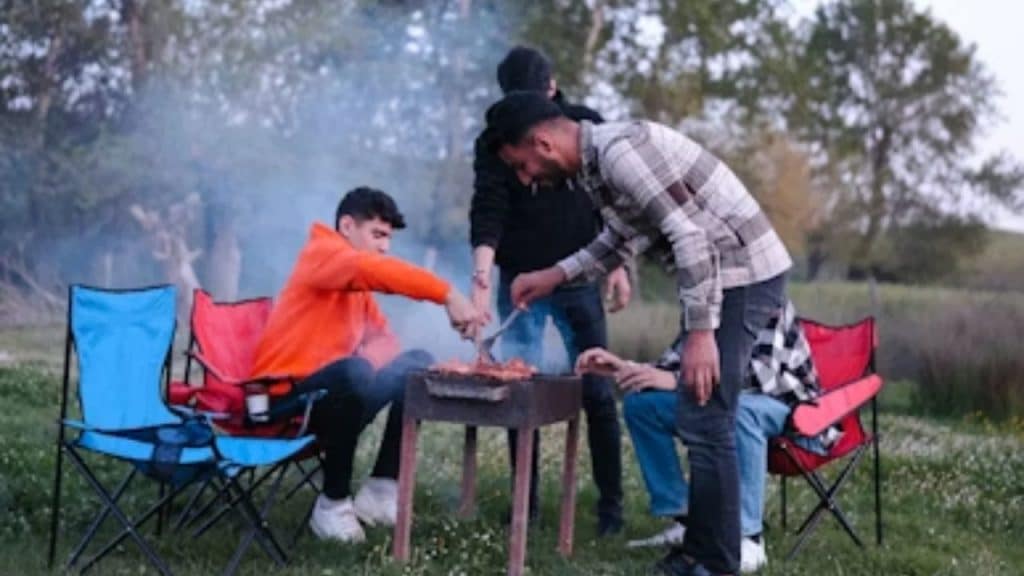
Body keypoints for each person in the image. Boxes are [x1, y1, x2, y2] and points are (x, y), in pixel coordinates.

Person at [483, 91, 793, 575]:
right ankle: (697, 551)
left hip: (744, 274)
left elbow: (689, 235)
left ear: (543, 143)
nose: (526, 179)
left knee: (708, 415)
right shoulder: (596, 166)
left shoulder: (620, 153)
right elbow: (622, 238)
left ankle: (716, 562)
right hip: (720, 275)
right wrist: (554, 276)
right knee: (699, 411)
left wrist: (700, 334)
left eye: (521, 166)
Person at [249, 186, 480, 543]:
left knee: (415, 364)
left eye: (388, 238)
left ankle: (380, 489)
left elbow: (385, 340)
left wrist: (367, 369)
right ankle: (332, 505)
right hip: (278, 401)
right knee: (351, 372)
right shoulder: (322, 254)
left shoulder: (354, 286)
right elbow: (373, 269)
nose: (385, 247)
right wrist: (448, 294)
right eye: (378, 235)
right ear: (347, 226)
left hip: (328, 399)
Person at [470, 46, 630, 534]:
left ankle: (611, 510)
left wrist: (617, 266)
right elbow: (488, 209)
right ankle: (527, 505)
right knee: (522, 387)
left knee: (598, 392)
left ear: (552, 89)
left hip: (580, 277)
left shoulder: (585, 126)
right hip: (520, 280)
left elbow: (613, 204)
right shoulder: (496, 142)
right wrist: (481, 280)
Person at [576, 301, 826, 573]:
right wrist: (624, 368)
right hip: (723, 401)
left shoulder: (766, 299)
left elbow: (756, 376)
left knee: (739, 412)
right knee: (642, 405)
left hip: (789, 410)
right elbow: (671, 366)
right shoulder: (702, 304)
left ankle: (748, 538)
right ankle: (688, 521)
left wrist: (676, 381)